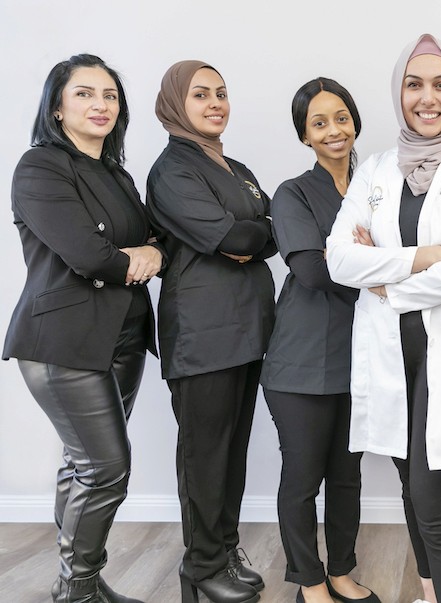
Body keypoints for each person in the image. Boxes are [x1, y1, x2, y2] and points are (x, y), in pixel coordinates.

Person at [326, 33, 441, 603]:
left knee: (438, 508)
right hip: (393, 356)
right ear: (398, 93)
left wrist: (387, 284)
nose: (426, 98)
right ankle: (434, 594)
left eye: (440, 84)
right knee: (413, 494)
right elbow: (338, 257)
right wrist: (419, 258)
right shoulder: (377, 168)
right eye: (413, 85)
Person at [4, 54, 163, 603]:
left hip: (121, 338)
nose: (101, 105)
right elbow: (87, 256)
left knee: (84, 465)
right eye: (85, 94)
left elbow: (154, 238)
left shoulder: (116, 173)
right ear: (56, 107)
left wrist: (149, 253)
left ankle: (79, 583)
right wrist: (136, 259)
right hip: (63, 343)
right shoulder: (40, 167)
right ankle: (77, 590)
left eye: (110, 96)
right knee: (105, 468)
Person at [146, 60, 276, 603]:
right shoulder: (172, 171)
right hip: (204, 334)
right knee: (204, 456)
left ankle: (222, 549)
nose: (215, 103)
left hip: (246, 330)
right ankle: (201, 566)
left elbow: (270, 232)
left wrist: (258, 234)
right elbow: (237, 237)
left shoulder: (235, 166)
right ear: (178, 103)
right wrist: (254, 234)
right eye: (201, 94)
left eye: (221, 93)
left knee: (233, 451)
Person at [260, 78, 379, 603]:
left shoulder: (377, 186)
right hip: (301, 363)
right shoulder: (292, 193)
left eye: (341, 117)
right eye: (319, 122)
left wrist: (366, 259)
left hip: (361, 358)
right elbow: (310, 269)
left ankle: (343, 571)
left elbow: (403, 248)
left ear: (355, 121)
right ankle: (310, 582)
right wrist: (377, 267)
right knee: (304, 476)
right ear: (304, 136)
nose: (334, 130)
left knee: (347, 477)